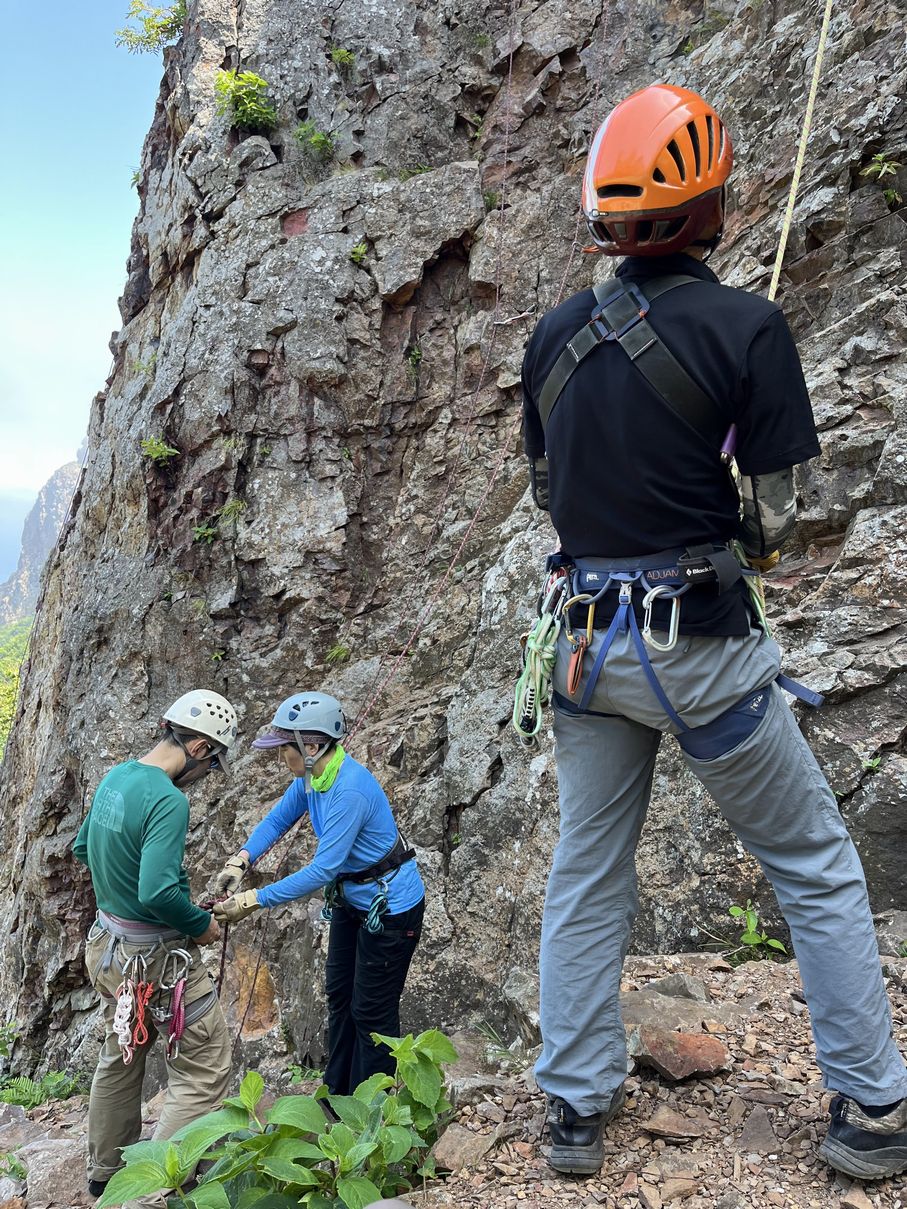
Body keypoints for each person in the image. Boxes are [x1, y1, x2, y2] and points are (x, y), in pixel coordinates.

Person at [521, 83, 907, 1180]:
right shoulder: (748, 325)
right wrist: (730, 514)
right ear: (712, 202)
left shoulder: (553, 336)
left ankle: (574, 1113)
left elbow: (552, 490)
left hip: (583, 647)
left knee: (587, 870)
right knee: (811, 863)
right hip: (696, 647)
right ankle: (871, 1109)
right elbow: (776, 524)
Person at [212, 691, 425, 1095]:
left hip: (391, 907)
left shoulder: (349, 791)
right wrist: (241, 861)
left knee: (372, 1011)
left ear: (311, 747)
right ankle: (338, 1095)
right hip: (354, 899)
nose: (280, 758)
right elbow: (278, 820)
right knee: (340, 996)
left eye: (284, 749)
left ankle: (371, 1114)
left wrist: (252, 900)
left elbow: (322, 869)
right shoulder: (311, 778)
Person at [73, 689, 238, 1200]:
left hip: (107, 945)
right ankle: (153, 1189)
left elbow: (84, 848)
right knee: (205, 1060)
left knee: (123, 1050)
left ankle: (105, 1175)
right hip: (155, 958)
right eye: (211, 767)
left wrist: (121, 892)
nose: (205, 778)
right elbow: (158, 891)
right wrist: (199, 926)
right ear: (201, 749)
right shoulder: (168, 799)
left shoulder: (117, 777)